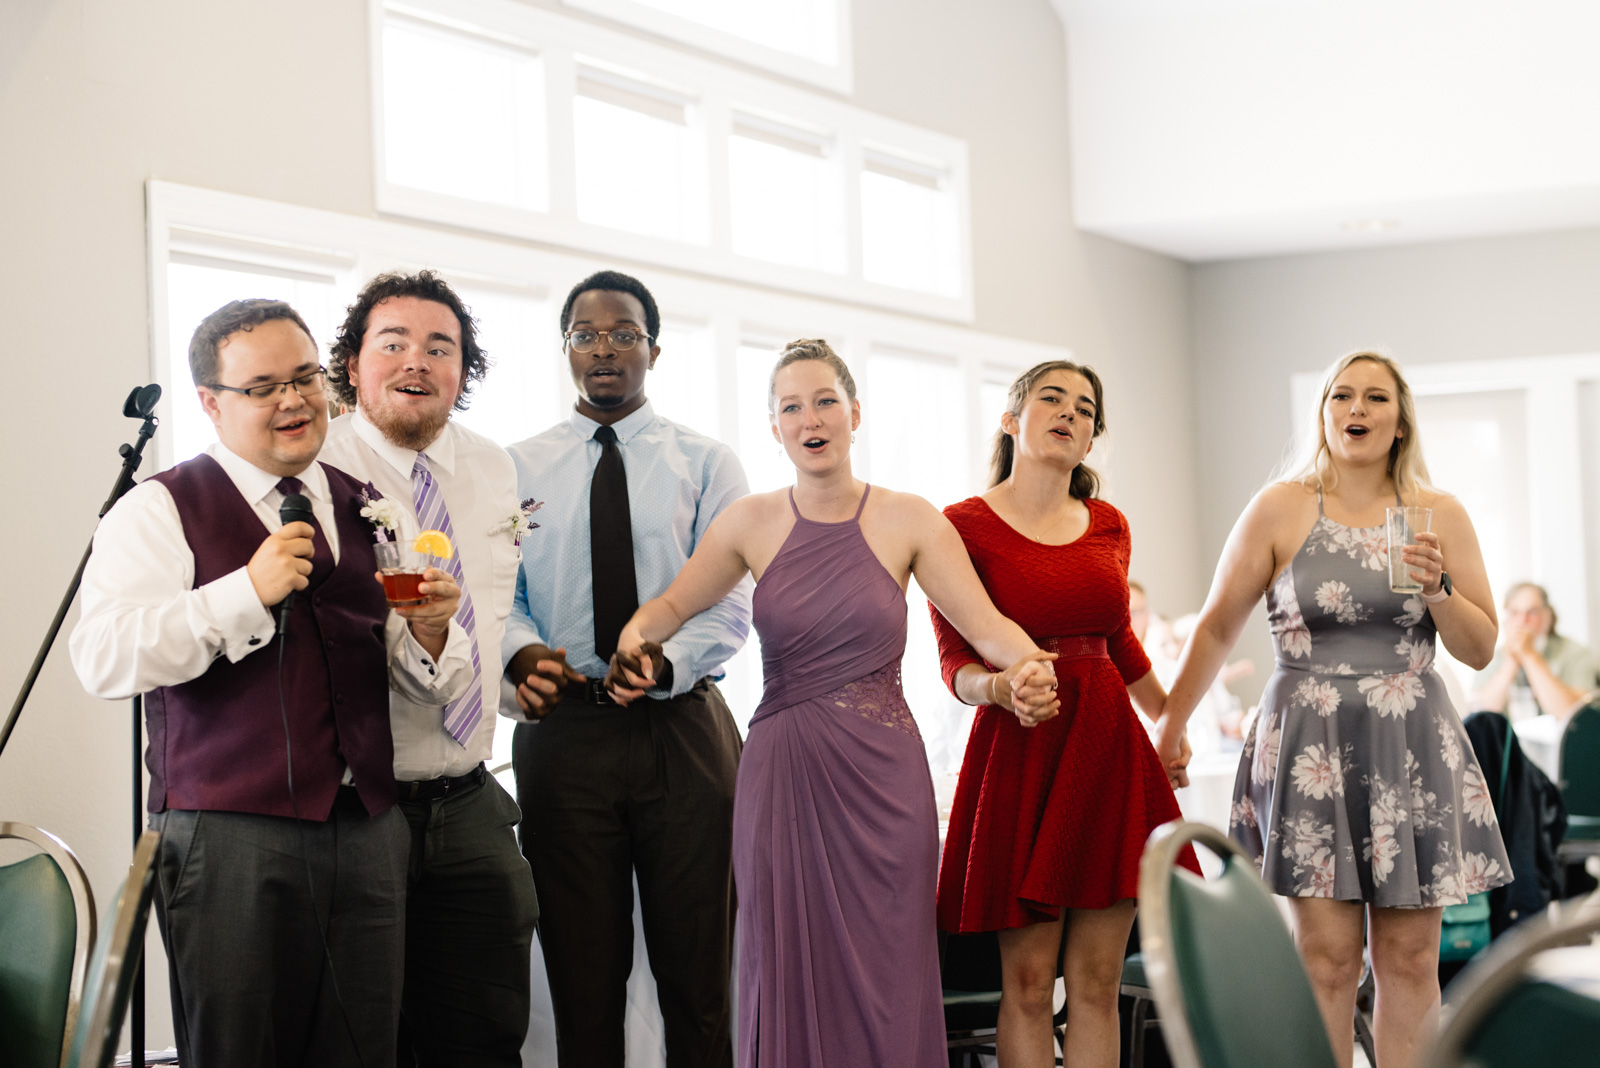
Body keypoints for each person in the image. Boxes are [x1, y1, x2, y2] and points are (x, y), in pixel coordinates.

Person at [605, 340, 1059, 1068]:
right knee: (787, 959)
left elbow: (987, 627)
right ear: (774, 427)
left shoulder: (911, 518)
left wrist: (1030, 665)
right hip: (784, 776)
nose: (810, 418)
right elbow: (668, 607)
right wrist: (634, 637)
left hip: (886, 783)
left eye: (824, 402)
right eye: (792, 407)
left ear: (855, 414)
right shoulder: (748, 523)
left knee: (892, 959)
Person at [69, 299, 470, 1068]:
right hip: (229, 837)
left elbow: (400, 675)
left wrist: (427, 635)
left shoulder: (365, 507)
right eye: (262, 387)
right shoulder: (157, 509)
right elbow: (104, 658)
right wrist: (244, 592)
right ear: (211, 404)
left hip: (367, 830)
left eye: (305, 378)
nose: (292, 400)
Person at [1160, 350, 1512, 1068]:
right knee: (1324, 959)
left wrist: (1440, 589)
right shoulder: (1280, 507)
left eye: (1375, 398)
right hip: (1309, 739)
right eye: (1342, 396)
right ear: (1322, 412)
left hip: (1411, 741)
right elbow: (1217, 625)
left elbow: (1479, 650)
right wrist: (1168, 724)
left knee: (1411, 960)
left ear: (1400, 419)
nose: (1357, 409)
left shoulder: (1439, 513)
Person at [502, 270, 751, 1067]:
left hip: (683, 729)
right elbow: (496, 596)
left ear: (654, 348)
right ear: (566, 348)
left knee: (700, 974)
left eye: (624, 334)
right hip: (564, 734)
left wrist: (667, 660)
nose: (604, 348)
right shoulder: (514, 469)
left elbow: (731, 601)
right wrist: (523, 651)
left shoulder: (708, 464)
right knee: (581, 977)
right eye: (586, 334)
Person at [932, 360, 1194, 1068]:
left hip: (1108, 749)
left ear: (1091, 439)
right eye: (1051, 398)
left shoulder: (1110, 524)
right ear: (1012, 418)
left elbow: (1119, 640)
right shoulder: (961, 525)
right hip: (1021, 749)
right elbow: (954, 662)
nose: (1069, 413)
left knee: (1099, 981)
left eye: (1085, 408)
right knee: (1023, 983)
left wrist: (1170, 722)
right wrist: (999, 690)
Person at [319, 270, 540, 1066]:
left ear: (462, 372)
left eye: (439, 347)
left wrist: (514, 671)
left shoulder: (494, 469)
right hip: (358, 807)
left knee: (485, 1033)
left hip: (473, 796)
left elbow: (493, 604)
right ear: (352, 363)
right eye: (394, 342)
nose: (417, 360)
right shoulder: (317, 466)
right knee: (367, 1037)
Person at [1471, 583, 1600, 721]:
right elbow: (1481, 717)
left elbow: (1574, 716)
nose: (1522, 621)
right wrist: (1511, 663)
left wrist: (1530, 656)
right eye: (1514, 613)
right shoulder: (1493, 658)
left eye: (1531, 612)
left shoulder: (1575, 655)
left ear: (1548, 616)